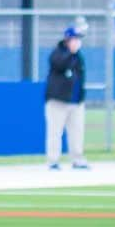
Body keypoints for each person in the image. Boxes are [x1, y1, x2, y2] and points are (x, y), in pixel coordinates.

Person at [44, 23, 89, 170]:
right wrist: (70, 53)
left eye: (79, 39)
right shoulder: (58, 53)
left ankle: (77, 159)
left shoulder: (79, 56)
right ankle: (53, 161)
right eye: (75, 39)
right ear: (68, 40)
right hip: (58, 101)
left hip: (75, 101)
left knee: (77, 132)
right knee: (55, 132)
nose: (77, 42)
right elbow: (60, 65)